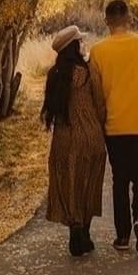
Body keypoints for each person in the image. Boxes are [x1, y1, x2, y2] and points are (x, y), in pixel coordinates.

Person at [89, 0, 138, 257]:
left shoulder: (98, 52)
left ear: (106, 22)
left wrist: (96, 125)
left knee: (120, 180)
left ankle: (123, 235)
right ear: (130, 19)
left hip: (114, 128)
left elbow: (96, 95)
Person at [42, 25, 107, 257]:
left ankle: (74, 230)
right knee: (88, 182)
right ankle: (85, 232)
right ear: (75, 46)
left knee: (68, 183)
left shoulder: (54, 75)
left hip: (64, 139)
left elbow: (51, 110)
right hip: (90, 136)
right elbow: (100, 103)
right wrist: (101, 125)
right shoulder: (88, 72)